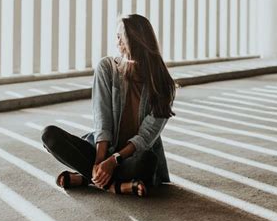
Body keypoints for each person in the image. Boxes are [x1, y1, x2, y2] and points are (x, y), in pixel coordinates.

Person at [41, 13, 178, 197]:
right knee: (50, 136)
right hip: (101, 149)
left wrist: (113, 161)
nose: (117, 41)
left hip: (131, 156)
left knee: (147, 161)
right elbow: (102, 121)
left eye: (120, 36)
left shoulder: (163, 85)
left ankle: (86, 177)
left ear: (136, 40)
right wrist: (100, 162)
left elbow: (145, 138)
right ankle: (116, 186)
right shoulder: (107, 68)